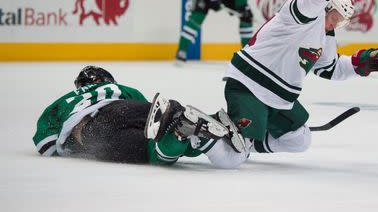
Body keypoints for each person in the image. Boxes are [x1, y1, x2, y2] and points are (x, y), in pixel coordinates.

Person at [154, 0, 378, 169]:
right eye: (335, 17)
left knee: (301, 140)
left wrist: (361, 64)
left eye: (339, 23)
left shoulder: (324, 34)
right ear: (327, 6)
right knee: (233, 159)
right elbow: (309, 3)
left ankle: (242, 138)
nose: (334, 25)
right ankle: (195, 128)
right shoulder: (301, 11)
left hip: (278, 100)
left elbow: (330, 68)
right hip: (250, 86)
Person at [33, 66, 238, 165]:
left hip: (95, 133)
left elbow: (45, 144)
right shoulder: (120, 88)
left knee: (153, 155)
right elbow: (154, 115)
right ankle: (189, 132)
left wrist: (74, 146)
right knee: (164, 129)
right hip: (125, 107)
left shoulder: (62, 102)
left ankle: (180, 134)